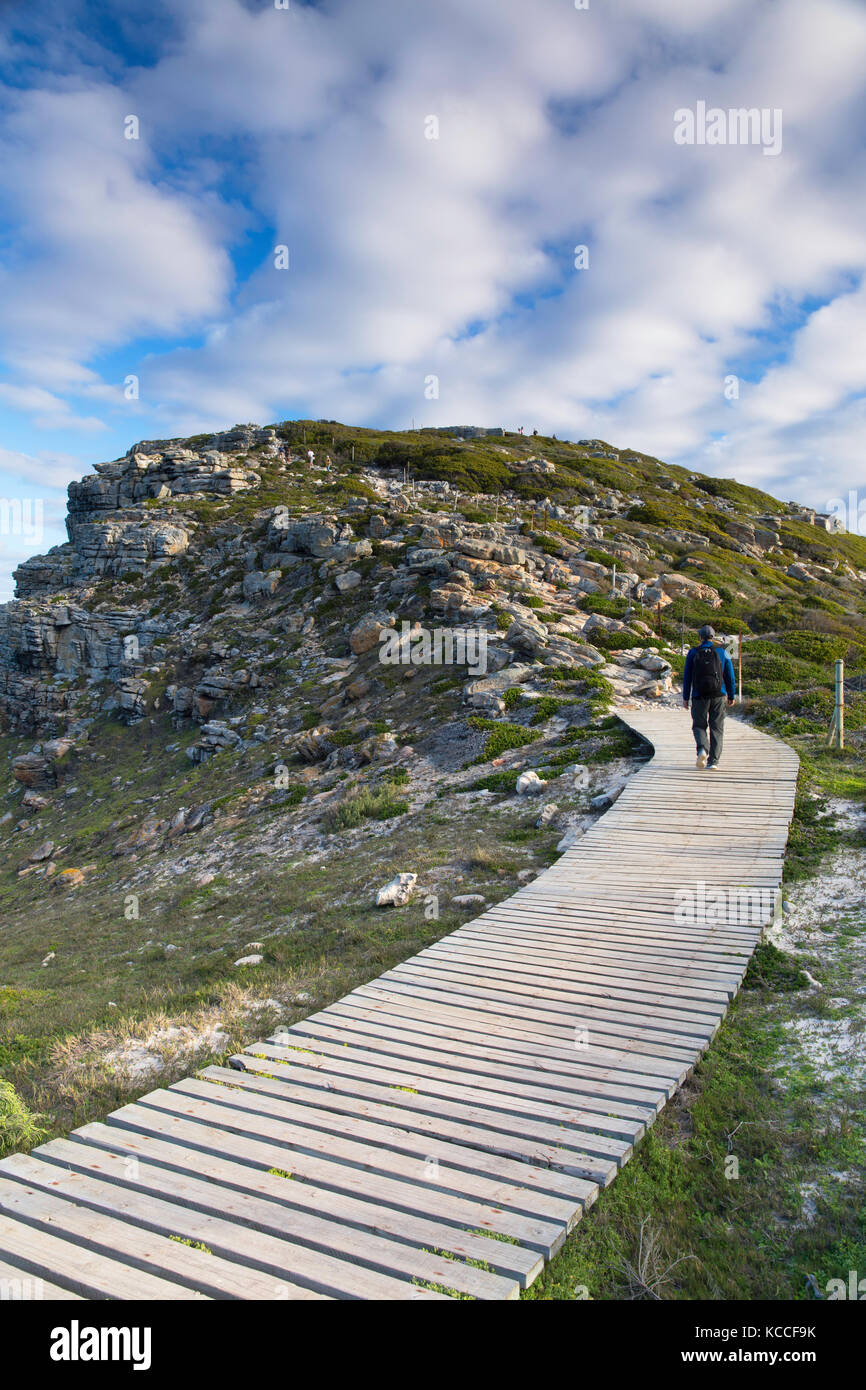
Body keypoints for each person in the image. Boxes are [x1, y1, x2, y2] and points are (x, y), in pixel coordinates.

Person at [682, 624, 735, 769]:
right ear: (713, 636)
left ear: (700, 636)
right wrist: (731, 694)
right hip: (719, 695)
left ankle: (702, 749)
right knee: (716, 727)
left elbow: (687, 677)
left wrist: (686, 697)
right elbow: (730, 676)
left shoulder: (693, 652)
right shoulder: (722, 652)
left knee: (699, 725)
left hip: (699, 695)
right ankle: (714, 762)